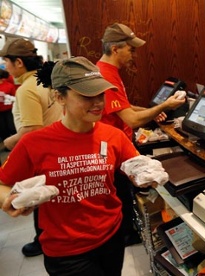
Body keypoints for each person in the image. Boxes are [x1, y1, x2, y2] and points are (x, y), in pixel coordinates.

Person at [0, 56, 161, 275]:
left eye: (100, 94)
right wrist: (9, 201)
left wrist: (146, 177)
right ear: (60, 97)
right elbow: (2, 184)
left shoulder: (113, 136)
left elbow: (136, 169)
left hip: (111, 236)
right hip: (66, 250)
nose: (98, 103)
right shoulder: (34, 143)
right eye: (87, 95)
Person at [97, 23, 185, 247]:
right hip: (113, 151)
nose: (133, 55)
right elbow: (132, 120)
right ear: (115, 49)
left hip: (119, 146)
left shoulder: (110, 71)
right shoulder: (106, 75)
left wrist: (153, 111)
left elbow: (124, 108)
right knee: (122, 196)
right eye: (131, 49)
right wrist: (164, 104)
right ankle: (126, 235)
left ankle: (128, 231)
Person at [0, 38, 62, 257]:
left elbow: (32, 130)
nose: (4, 66)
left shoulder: (26, 89)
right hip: (58, 148)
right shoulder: (46, 81)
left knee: (39, 198)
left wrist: (7, 142)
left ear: (18, 62)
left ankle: (42, 241)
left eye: (5, 61)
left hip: (41, 152)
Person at [0, 69, 17, 142]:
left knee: (12, 127)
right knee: (2, 128)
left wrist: (6, 99)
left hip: (9, 110)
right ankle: (6, 142)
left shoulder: (9, 85)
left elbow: (14, 98)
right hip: (0, 112)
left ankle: (14, 142)